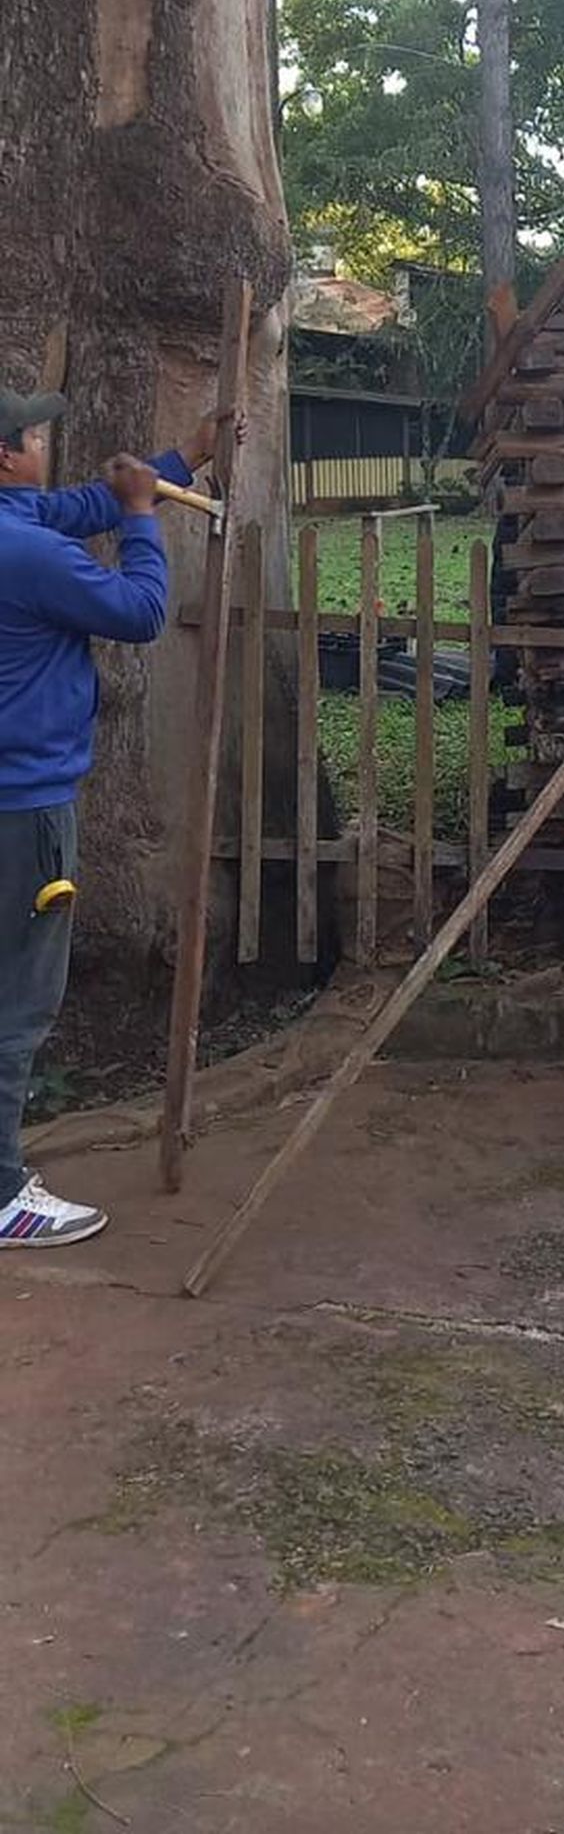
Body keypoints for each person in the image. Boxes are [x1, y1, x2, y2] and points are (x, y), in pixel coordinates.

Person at [0, 388, 224, 1247]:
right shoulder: (25, 556)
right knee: (17, 1001)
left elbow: (63, 507)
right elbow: (140, 612)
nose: (45, 441)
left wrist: (176, 464)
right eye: (31, 432)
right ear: (5, 454)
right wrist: (142, 519)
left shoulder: (23, 523)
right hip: (23, 811)